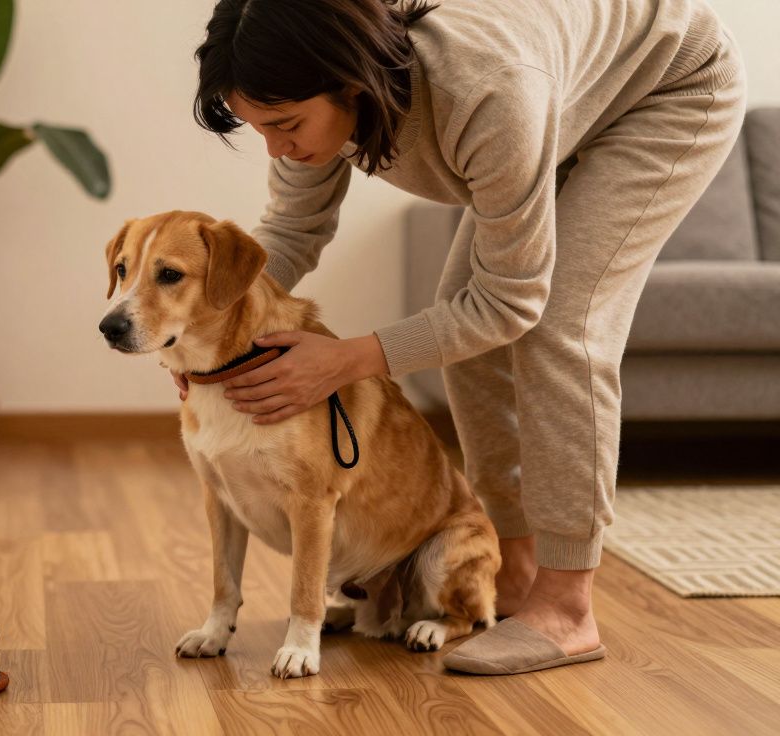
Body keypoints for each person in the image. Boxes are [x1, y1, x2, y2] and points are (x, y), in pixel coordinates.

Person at [182, 0, 746, 674]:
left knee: (559, 328)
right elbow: (291, 232)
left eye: (285, 125)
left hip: (669, 86)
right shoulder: (312, 91)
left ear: (351, 85)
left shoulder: (487, 92)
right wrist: (212, 336)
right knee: (459, 328)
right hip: (559, 91)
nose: (276, 148)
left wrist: (346, 361)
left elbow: (512, 303)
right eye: (257, 128)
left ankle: (568, 607)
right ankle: (515, 568)